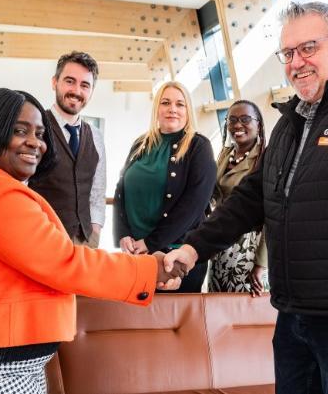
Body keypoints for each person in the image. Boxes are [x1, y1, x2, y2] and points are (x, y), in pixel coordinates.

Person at [164, 1, 328, 394]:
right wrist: (192, 249)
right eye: (288, 53)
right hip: (291, 318)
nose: (296, 62)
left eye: (308, 48)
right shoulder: (291, 124)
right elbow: (250, 199)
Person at [0, 88, 183, 394]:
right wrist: (149, 269)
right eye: (19, 131)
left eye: (40, 133)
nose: (35, 143)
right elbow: (65, 262)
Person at [113, 81, 216, 293]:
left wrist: (151, 242)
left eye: (180, 104)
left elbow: (194, 205)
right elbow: (121, 189)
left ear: (188, 110)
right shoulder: (141, 143)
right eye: (166, 102)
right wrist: (123, 234)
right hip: (138, 254)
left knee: (174, 321)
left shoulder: (199, 146)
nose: (172, 109)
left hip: (177, 255)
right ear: (157, 108)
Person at [29, 51, 105, 248]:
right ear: (54, 82)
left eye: (85, 85)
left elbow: (97, 191)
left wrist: (95, 232)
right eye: (70, 81)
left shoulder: (96, 136)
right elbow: (20, 185)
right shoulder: (35, 127)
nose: (76, 91)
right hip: (43, 239)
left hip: (85, 241)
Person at [208, 100, 268, 295]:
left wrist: (261, 263)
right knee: (217, 307)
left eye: (245, 119)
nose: (237, 125)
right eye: (232, 119)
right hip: (219, 243)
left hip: (248, 248)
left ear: (258, 124)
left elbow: (272, 215)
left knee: (243, 311)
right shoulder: (225, 155)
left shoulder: (265, 159)